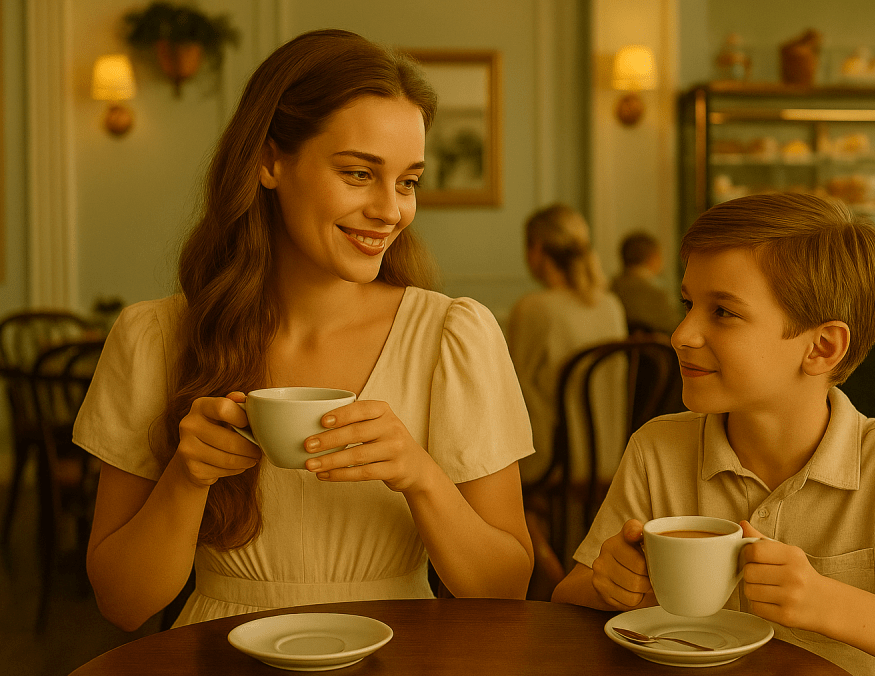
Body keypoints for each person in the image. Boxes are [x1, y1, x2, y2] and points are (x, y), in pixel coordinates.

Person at [75, 29, 535, 631]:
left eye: (408, 181)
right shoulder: (152, 338)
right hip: (220, 657)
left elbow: (506, 590)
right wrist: (185, 478)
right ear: (269, 161)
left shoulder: (454, 336)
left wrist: (420, 476)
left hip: (401, 656)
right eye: (357, 174)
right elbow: (122, 603)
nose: (391, 210)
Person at [552, 193, 875, 676]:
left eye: (723, 312)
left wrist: (825, 602)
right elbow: (567, 601)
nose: (681, 334)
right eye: (688, 304)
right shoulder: (658, 449)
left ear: (822, 346)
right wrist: (609, 584)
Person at [505, 204, 628, 487]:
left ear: (536, 249)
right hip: (610, 459)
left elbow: (511, 391)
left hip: (554, 463)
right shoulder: (611, 305)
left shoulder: (534, 308)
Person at [609, 230, 680, 337]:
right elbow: (675, 328)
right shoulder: (656, 295)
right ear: (653, 258)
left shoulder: (611, 289)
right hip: (655, 352)